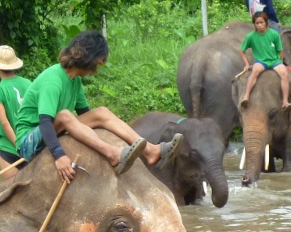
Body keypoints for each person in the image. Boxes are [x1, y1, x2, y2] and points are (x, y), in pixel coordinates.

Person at [14, 31, 181, 183]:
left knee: (101, 112)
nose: (99, 65)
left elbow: (89, 116)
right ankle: (112, 154)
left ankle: (150, 150)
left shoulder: (75, 80)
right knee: (65, 115)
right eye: (99, 59)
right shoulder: (53, 80)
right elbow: (45, 122)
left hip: (55, 128)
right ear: (87, 55)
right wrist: (59, 155)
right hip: (29, 141)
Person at [0, 45, 32, 179]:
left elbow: (5, 123)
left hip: (9, 148)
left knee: (12, 194)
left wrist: (19, 148)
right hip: (30, 146)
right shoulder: (28, 84)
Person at [238, 11, 290, 110]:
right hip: (261, 61)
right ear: (254, 24)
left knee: (284, 73)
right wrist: (246, 64)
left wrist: (281, 62)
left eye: (261, 22)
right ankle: (246, 96)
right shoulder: (251, 36)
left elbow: (280, 50)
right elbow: (242, 50)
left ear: (266, 22)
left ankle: (285, 101)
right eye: (257, 23)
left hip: (274, 61)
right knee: (255, 71)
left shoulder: (274, 34)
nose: (260, 25)